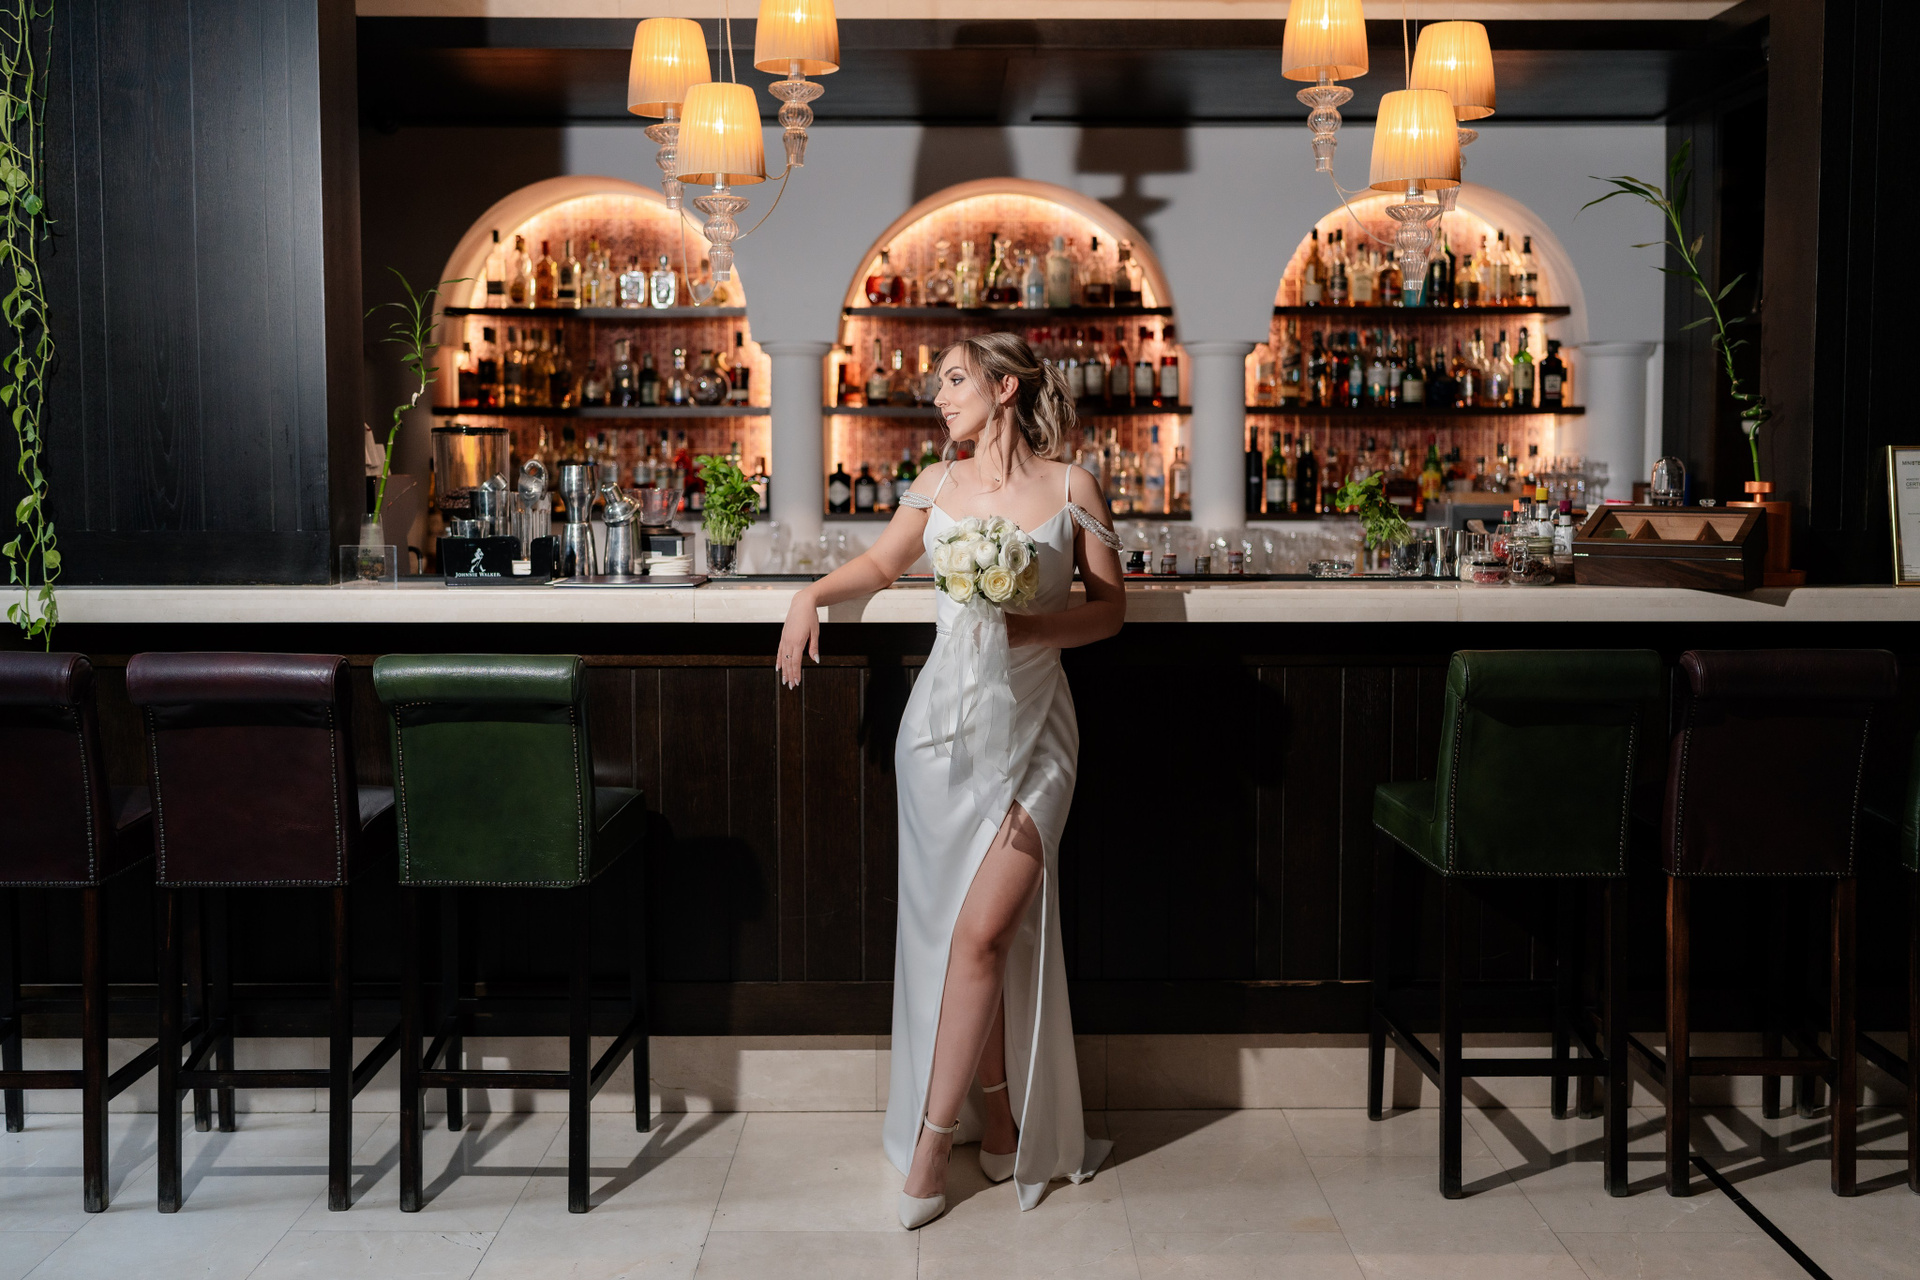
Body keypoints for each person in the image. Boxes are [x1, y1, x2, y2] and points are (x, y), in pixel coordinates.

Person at [776, 331, 1126, 1229]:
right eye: (938, 383)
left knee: (983, 933)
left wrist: (1030, 629)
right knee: (962, 940)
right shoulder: (934, 485)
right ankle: (998, 1122)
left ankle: (933, 1148)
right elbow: (881, 566)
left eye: (956, 378)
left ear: (1006, 388)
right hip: (940, 737)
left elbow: (1110, 611)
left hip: (1038, 733)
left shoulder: (1074, 486)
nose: (939, 395)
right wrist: (809, 596)